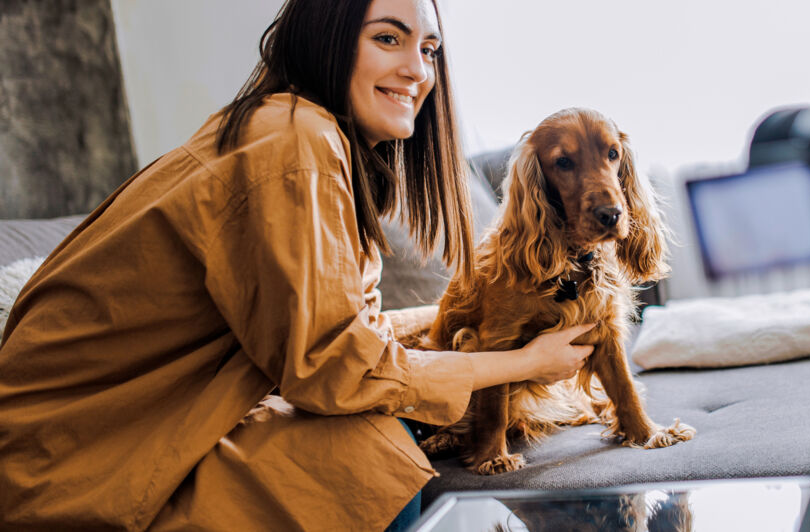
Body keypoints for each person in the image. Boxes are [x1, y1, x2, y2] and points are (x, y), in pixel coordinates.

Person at [0, 0, 595, 530]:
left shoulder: (294, 132)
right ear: (326, 39)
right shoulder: (296, 143)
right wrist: (520, 360)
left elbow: (344, 336)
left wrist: (474, 326)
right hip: (69, 464)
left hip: (92, 440)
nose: (419, 70)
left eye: (429, 48)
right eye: (388, 39)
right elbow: (335, 367)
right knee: (363, 458)